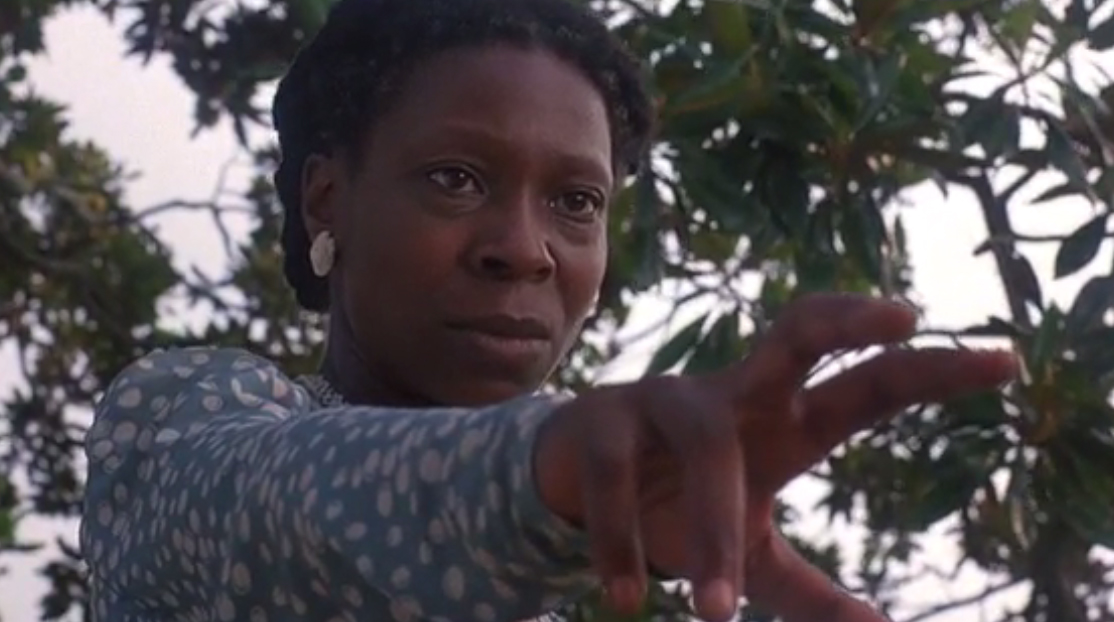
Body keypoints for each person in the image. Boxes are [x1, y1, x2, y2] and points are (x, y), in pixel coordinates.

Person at [79, 0, 1018, 620]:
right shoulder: (177, 420)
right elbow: (269, 515)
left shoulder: (598, 578)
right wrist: (545, 474)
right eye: (455, 178)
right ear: (327, 199)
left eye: (576, 201)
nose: (524, 248)